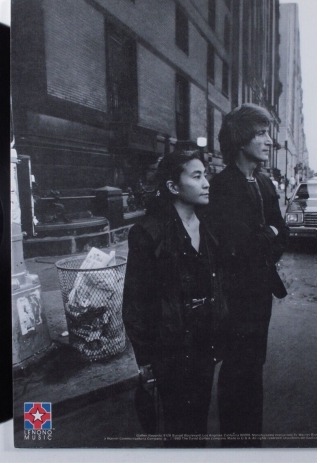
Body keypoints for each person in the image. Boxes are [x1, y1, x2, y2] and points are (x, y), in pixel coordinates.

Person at [122, 150, 227, 447]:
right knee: (179, 428)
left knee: (199, 420)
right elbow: (135, 302)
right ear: (172, 186)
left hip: (205, 341)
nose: (206, 183)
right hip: (170, 348)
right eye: (197, 176)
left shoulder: (209, 226)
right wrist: (145, 361)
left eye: (205, 175)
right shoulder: (148, 233)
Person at [206, 103, 288, 446]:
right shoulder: (223, 186)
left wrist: (268, 236)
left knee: (255, 369)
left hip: (260, 295)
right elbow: (238, 248)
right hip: (235, 297)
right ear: (241, 140)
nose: (269, 141)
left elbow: (282, 233)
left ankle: (251, 442)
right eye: (261, 134)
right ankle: (236, 445)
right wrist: (268, 236)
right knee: (238, 370)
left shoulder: (265, 183)